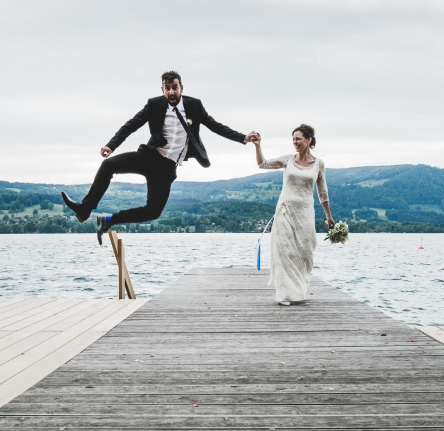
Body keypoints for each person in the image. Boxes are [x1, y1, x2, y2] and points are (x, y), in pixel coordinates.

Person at [60, 71, 259, 243]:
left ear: (181, 87)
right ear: (162, 89)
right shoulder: (154, 105)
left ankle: (108, 220)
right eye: (167, 88)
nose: (171, 92)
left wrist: (243, 137)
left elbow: (215, 125)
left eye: (175, 87)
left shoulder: (194, 106)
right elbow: (132, 124)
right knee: (108, 165)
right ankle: (85, 209)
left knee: (153, 211)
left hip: (167, 168)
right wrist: (111, 145)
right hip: (149, 156)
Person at [251, 124, 334, 305]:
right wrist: (258, 145)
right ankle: (286, 295)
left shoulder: (319, 164)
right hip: (285, 210)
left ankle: (298, 290)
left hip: (305, 212)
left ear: (309, 140)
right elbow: (262, 164)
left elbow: (323, 192)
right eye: (293, 139)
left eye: (298, 139)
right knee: (285, 251)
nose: (295, 142)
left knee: (305, 253)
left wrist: (328, 216)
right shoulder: (288, 160)